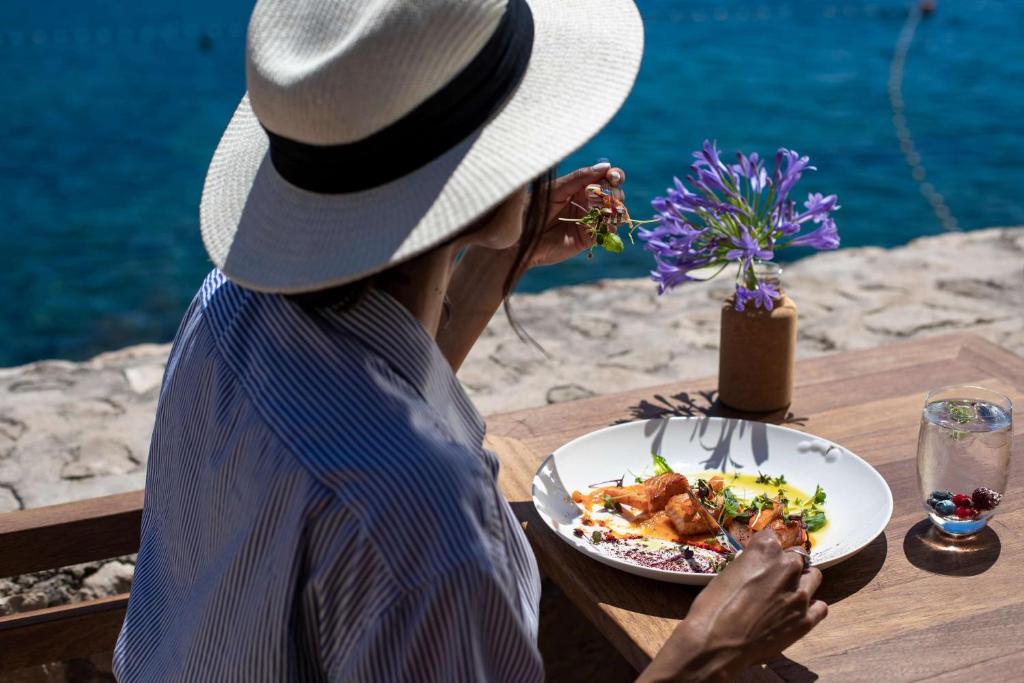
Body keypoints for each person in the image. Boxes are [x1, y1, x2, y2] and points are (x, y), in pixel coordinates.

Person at [113, 0, 827, 680]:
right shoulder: (428, 517)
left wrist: (493, 259)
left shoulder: (229, 305)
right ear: (488, 191)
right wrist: (706, 651)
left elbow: (366, 409)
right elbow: (391, 478)